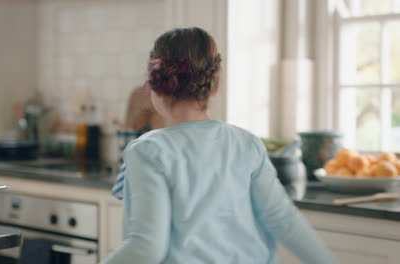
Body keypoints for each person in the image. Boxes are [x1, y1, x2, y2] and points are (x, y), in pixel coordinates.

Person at [102, 27, 334, 264]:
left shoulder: (148, 151)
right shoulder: (247, 143)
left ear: (154, 85)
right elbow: (285, 221)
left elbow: (147, 247)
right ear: (215, 85)